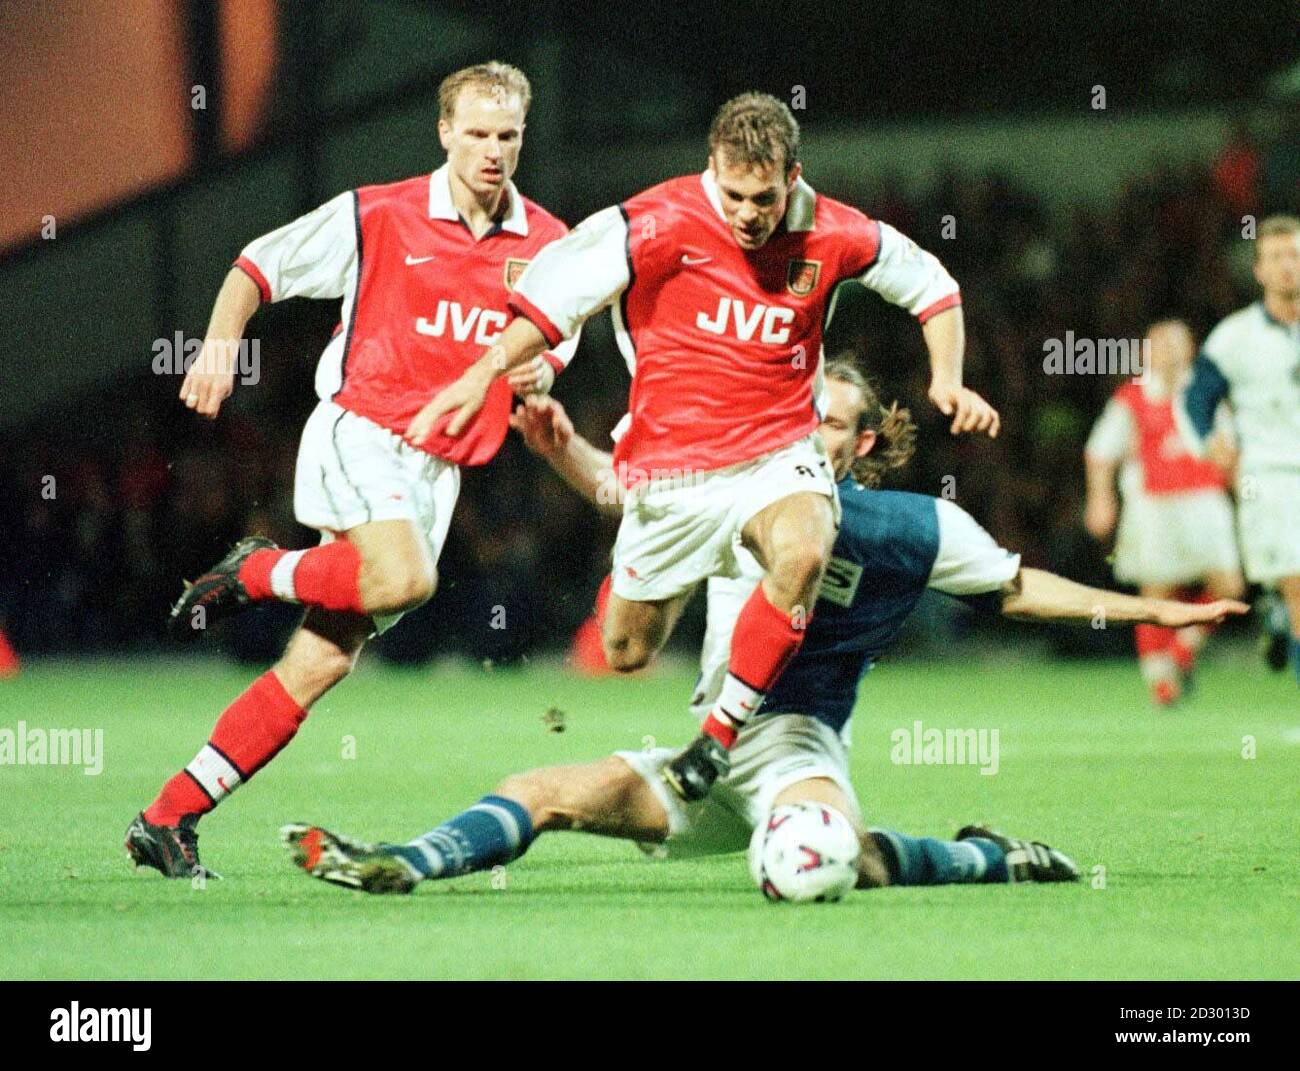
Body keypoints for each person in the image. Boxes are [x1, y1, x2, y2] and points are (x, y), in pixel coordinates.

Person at [282, 365, 1244, 895]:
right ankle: (403, 863)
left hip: (790, 744)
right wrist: (563, 443)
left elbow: (1020, 586)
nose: (808, 432)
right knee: (539, 789)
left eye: (830, 424)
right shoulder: (731, 490)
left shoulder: (915, 527)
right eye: (801, 412)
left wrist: (1159, 610)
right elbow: (636, 506)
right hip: (706, 748)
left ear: (862, 443)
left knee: (828, 858)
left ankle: (987, 856)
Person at [414, 92, 998, 802]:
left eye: (764, 197)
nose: (749, 214)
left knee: (806, 547)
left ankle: (717, 737)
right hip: (673, 468)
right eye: (733, 195)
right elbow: (550, 304)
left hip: (779, 449)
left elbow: (932, 287)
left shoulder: (835, 231)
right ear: (709, 171)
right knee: (626, 650)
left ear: (793, 175)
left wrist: (949, 379)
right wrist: (481, 376)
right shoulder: (653, 221)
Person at [127, 62, 576, 879]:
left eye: (507, 136)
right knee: (406, 579)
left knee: (323, 660)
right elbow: (256, 266)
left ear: (523, 137)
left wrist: (537, 375)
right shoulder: (382, 213)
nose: (492, 152)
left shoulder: (549, 243)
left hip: (437, 472)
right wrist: (222, 342)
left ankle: (169, 816)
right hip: (362, 430)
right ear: (444, 130)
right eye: (475, 133)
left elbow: (549, 352)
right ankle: (260, 570)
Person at [1084, 319, 1244, 705]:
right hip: (1153, 505)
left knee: (1230, 587)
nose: (1170, 352)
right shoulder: (1132, 397)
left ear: (1191, 350)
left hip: (1205, 499)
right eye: (1161, 344)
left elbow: (1229, 451)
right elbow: (1100, 452)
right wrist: (1100, 498)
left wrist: (1245, 492)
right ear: (1146, 352)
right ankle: (1160, 680)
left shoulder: (1207, 394)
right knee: (1156, 593)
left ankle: (1181, 651)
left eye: (1177, 344)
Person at [1176, 215, 1300, 685]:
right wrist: (1209, 443)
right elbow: (1195, 399)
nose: (1288, 266)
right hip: (1270, 477)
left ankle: (1278, 617)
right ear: (1260, 271)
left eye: (1294, 255)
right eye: (1276, 258)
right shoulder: (1235, 337)